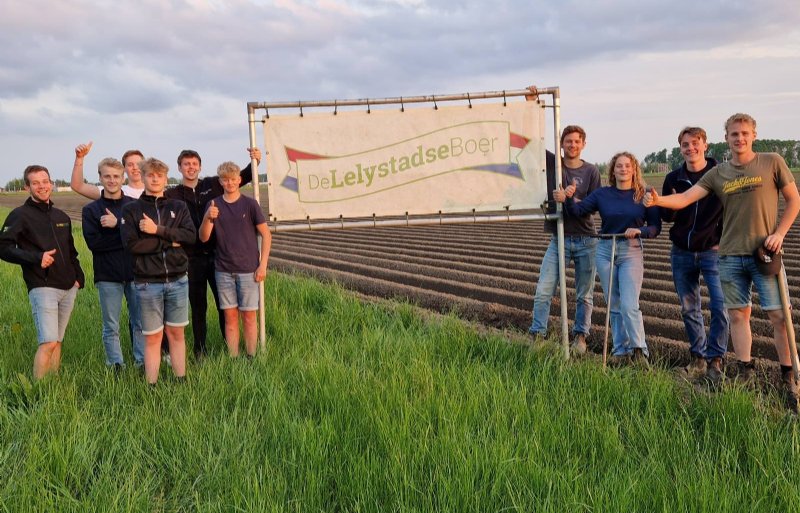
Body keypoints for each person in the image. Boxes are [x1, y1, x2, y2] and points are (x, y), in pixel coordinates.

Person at [645, 113, 800, 410]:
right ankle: (745, 370)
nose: (739, 138)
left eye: (744, 133)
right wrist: (659, 201)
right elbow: (687, 197)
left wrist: (780, 233)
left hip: (763, 253)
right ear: (726, 138)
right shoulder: (719, 173)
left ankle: (788, 376)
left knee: (779, 318)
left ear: (753, 135)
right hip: (728, 255)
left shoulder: (772, 162)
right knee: (739, 316)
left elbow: (794, 200)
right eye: (733, 134)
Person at [559, 152, 661, 364]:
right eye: (619, 166)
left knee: (629, 304)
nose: (623, 169)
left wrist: (639, 231)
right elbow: (578, 210)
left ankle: (639, 350)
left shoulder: (644, 194)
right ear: (612, 170)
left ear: (634, 169)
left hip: (630, 250)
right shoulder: (603, 194)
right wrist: (569, 197)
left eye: (627, 166)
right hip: (605, 250)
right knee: (613, 303)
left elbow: (655, 228)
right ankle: (620, 351)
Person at [164, 148, 261, 359]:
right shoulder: (172, 194)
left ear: (200, 166)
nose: (191, 167)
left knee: (224, 307)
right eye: (186, 164)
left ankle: (230, 347)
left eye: (194, 164)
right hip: (190, 259)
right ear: (179, 167)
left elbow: (241, 176)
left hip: (218, 256)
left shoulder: (212, 184)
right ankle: (200, 349)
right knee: (198, 306)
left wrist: (255, 160)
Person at [0, 164, 85, 379]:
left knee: (56, 342)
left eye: (45, 181)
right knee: (47, 342)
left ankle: (51, 386)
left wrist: (78, 278)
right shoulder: (19, 215)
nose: (42, 186)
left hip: (68, 286)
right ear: (27, 187)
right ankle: (37, 392)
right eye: (35, 183)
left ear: (51, 183)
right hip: (42, 286)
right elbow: (3, 247)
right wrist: (37, 258)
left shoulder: (61, 216)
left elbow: (71, 251)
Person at [661, 127, 729, 383]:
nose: (690, 148)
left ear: (705, 145)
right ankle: (698, 357)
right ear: (680, 148)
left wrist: (721, 240)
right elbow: (668, 217)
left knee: (720, 306)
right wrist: (673, 203)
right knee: (690, 308)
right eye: (685, 145)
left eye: (695, 143)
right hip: (682, 252)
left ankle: (716, 359)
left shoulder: (720, 174)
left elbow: (730, 209)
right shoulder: (673, 178)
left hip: (713, 251)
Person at [121, 158, 196, 384]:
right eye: (150, 175)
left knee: (176, 334)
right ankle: (151, 384)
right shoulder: (131, 210)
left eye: (159, 175)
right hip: (147, 283)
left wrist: (157, 230)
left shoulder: (178, 207)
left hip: (178, 280)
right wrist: (168, 241)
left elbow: (189, 236)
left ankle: (180, 380)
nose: (155, 179)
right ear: (142, 177)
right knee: (152, 337)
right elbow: (132, 246)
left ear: (165, 178)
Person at [528, 125, 602, 354]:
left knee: (584, 294)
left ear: (583, 144)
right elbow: (532, 140)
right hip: (558, 239)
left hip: (586, 239)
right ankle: (537, 335)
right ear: (561, 144)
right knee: (543, 290)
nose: (572, 145)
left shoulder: (591, 171)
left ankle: (580, 337)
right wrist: (532, 101)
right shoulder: (554, 165)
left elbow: (594, 205)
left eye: (577, 141)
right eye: (568, 141)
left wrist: (571, 199)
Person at [79, 145, 145, 371]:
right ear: (100, 178)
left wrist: (118, 226)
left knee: (139, 323)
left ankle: (142, 363)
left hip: (136, 273)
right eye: (107, 176)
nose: (112, 180)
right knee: (111, 325)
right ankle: (116, 365)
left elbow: (141, 241)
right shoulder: (91, 210)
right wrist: (127, 235)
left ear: (123, 177)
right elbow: (94, 244)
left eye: (116, 176)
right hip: (108, 276)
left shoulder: (134, 206)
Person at [199, 162, 271, 358]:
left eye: (233, 179)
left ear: (239, 180)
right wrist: (208, 218)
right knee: (230, 317)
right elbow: (203, 237)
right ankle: (233, 357)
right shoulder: (213, 205)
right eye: (225, 179)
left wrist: (263, 265)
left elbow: (266, 235)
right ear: (220, 181)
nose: (229, 183)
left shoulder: (250, 204)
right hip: (223, 270)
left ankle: (251, 356)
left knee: (249, 316)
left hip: (249, 269)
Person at [71, 143, 145, 199]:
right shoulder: (113, 190)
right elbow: (78, 186)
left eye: (138, 164)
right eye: (130, 165)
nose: (135, 167)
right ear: (124, 169)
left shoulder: (154, 190)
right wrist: (79, 158)